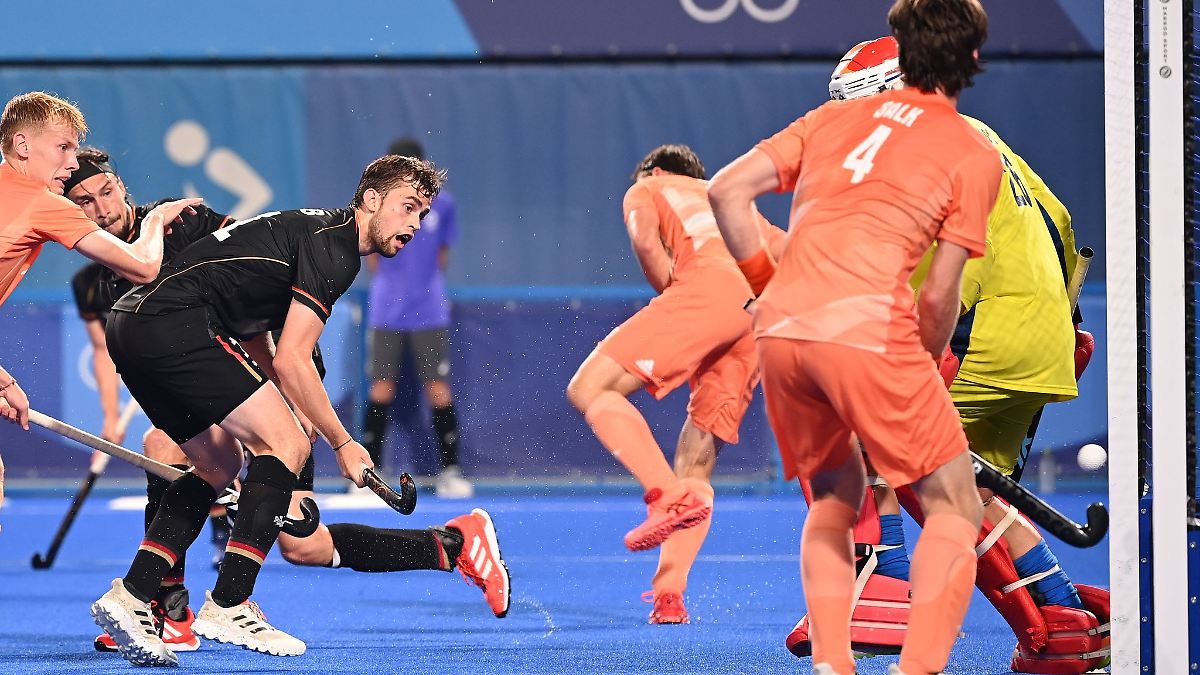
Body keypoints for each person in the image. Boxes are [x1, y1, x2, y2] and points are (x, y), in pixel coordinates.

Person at [66, 149, 509, 658]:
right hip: (204, 342)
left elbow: (268, 332)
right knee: (203, 448)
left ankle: (451, 546)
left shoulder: (195, 224)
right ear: (370, 200)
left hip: (198, 347)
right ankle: (198, 607)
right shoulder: (333, 247)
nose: (415, 224)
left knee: (290, 529)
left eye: (422, 213)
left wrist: (302, 418)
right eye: (407, 208)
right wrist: (339, 441)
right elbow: (276, 344)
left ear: (122, 187)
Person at [784, 36, 1110, 675]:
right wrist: (1062, 326)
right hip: (1039, 341)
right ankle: (1061, 625)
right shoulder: (981, 137)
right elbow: (1060, 223)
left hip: (976, 337)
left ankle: (878, 585)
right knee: (959, 493)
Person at [708, 2, 996, 674]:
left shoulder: (829, 119)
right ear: (971, 59)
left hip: (782, 333)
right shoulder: (970, 152)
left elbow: (725, 192)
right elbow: (938, 296)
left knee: (835, 499)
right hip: (870, 329)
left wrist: (770, 285)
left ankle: (833, 665)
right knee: (955, 503)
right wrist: (920, 372)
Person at [566, 144, 785, 625]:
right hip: (754, 317)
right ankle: (670, 595)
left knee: (590, 388)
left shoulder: (648, 186)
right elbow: (790, 257)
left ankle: (664, 496)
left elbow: (647, 244)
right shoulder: (731, 200)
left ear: (656, 169)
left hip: (705, 292)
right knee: (697, 462)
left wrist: (677, 293)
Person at [0, 91, 195, 518]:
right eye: (63, 147)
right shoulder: (42, 204)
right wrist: (156, 220)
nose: (72, 163)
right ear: (23, 145)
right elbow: (144, 267)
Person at [362, 137, 472, 498]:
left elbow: (441, 256)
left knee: (437, 388)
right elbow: (374, 254)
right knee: (382, 387)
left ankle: (451, 473)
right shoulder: (379, 203)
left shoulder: (445, 204)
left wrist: (418, 285)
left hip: (429, 311)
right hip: (387, 310)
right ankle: (368, 475)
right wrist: (395, 285)